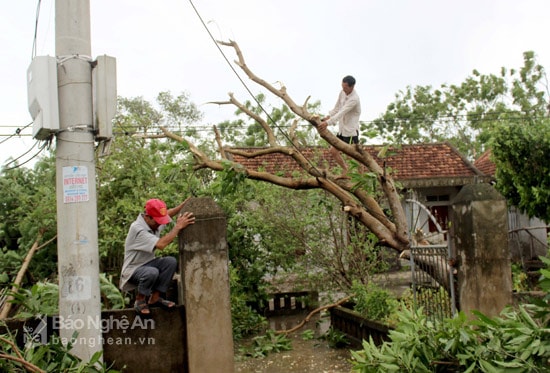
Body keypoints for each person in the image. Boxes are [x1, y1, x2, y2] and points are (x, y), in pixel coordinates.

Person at [120, 197, 195, 316]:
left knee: (170, 262)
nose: (160, 225)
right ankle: (140, 300)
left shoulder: (152, 223)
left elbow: (167, 214)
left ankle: (155, 298)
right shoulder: (138, 229)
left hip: (147, 264)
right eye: (157, 221)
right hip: (133, 270)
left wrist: (181, 207)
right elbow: (161, 244)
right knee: (152, 272)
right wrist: (178, 227)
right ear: (147, 217)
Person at [318, 75, 361, 174]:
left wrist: (328, 123)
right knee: (333, 151)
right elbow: (337, 108)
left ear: (352, 86)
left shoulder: (354, 99)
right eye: (342, 86)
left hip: (351, 132)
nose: (343, 89)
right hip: (342, 130)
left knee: (356, 157)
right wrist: (328, 116)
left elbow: (342, 112)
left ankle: (361, 178)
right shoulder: (342, 93)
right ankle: (346, 170)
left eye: (345, 88)